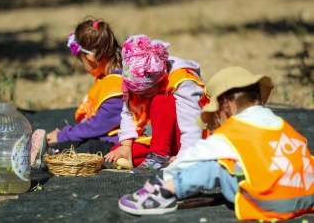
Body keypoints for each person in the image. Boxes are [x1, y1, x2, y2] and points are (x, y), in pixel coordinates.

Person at [117, 66, 314, 221]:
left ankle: (161, 194)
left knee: (215, 166)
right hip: (307, 197)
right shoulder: (284, 127)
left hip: (270, 203)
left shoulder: (233, 131)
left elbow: (194, 158)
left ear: (224, 106)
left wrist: (166, 178)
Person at [104, 34, 209, 172]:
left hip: (193, 141)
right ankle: (161, 158)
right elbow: (128, 112)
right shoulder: (135, 82)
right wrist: (126, 145)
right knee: (119, 151)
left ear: (159, 80)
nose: (140, 97)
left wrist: (186, 157)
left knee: (161, 100)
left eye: (146, 92)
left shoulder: (181, 80)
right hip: (168, 142)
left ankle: (159, 155)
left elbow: (191, 123)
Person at [30, 18, 124, 169]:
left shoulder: (117, 87)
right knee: (75, 141)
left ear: (91, 58)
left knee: (85, 149)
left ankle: (50, 157)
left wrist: (63, 135)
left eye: (82, 62)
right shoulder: (107, 77)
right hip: (101, 137)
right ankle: (44, 152)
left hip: (114, 142)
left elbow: (97, 126)